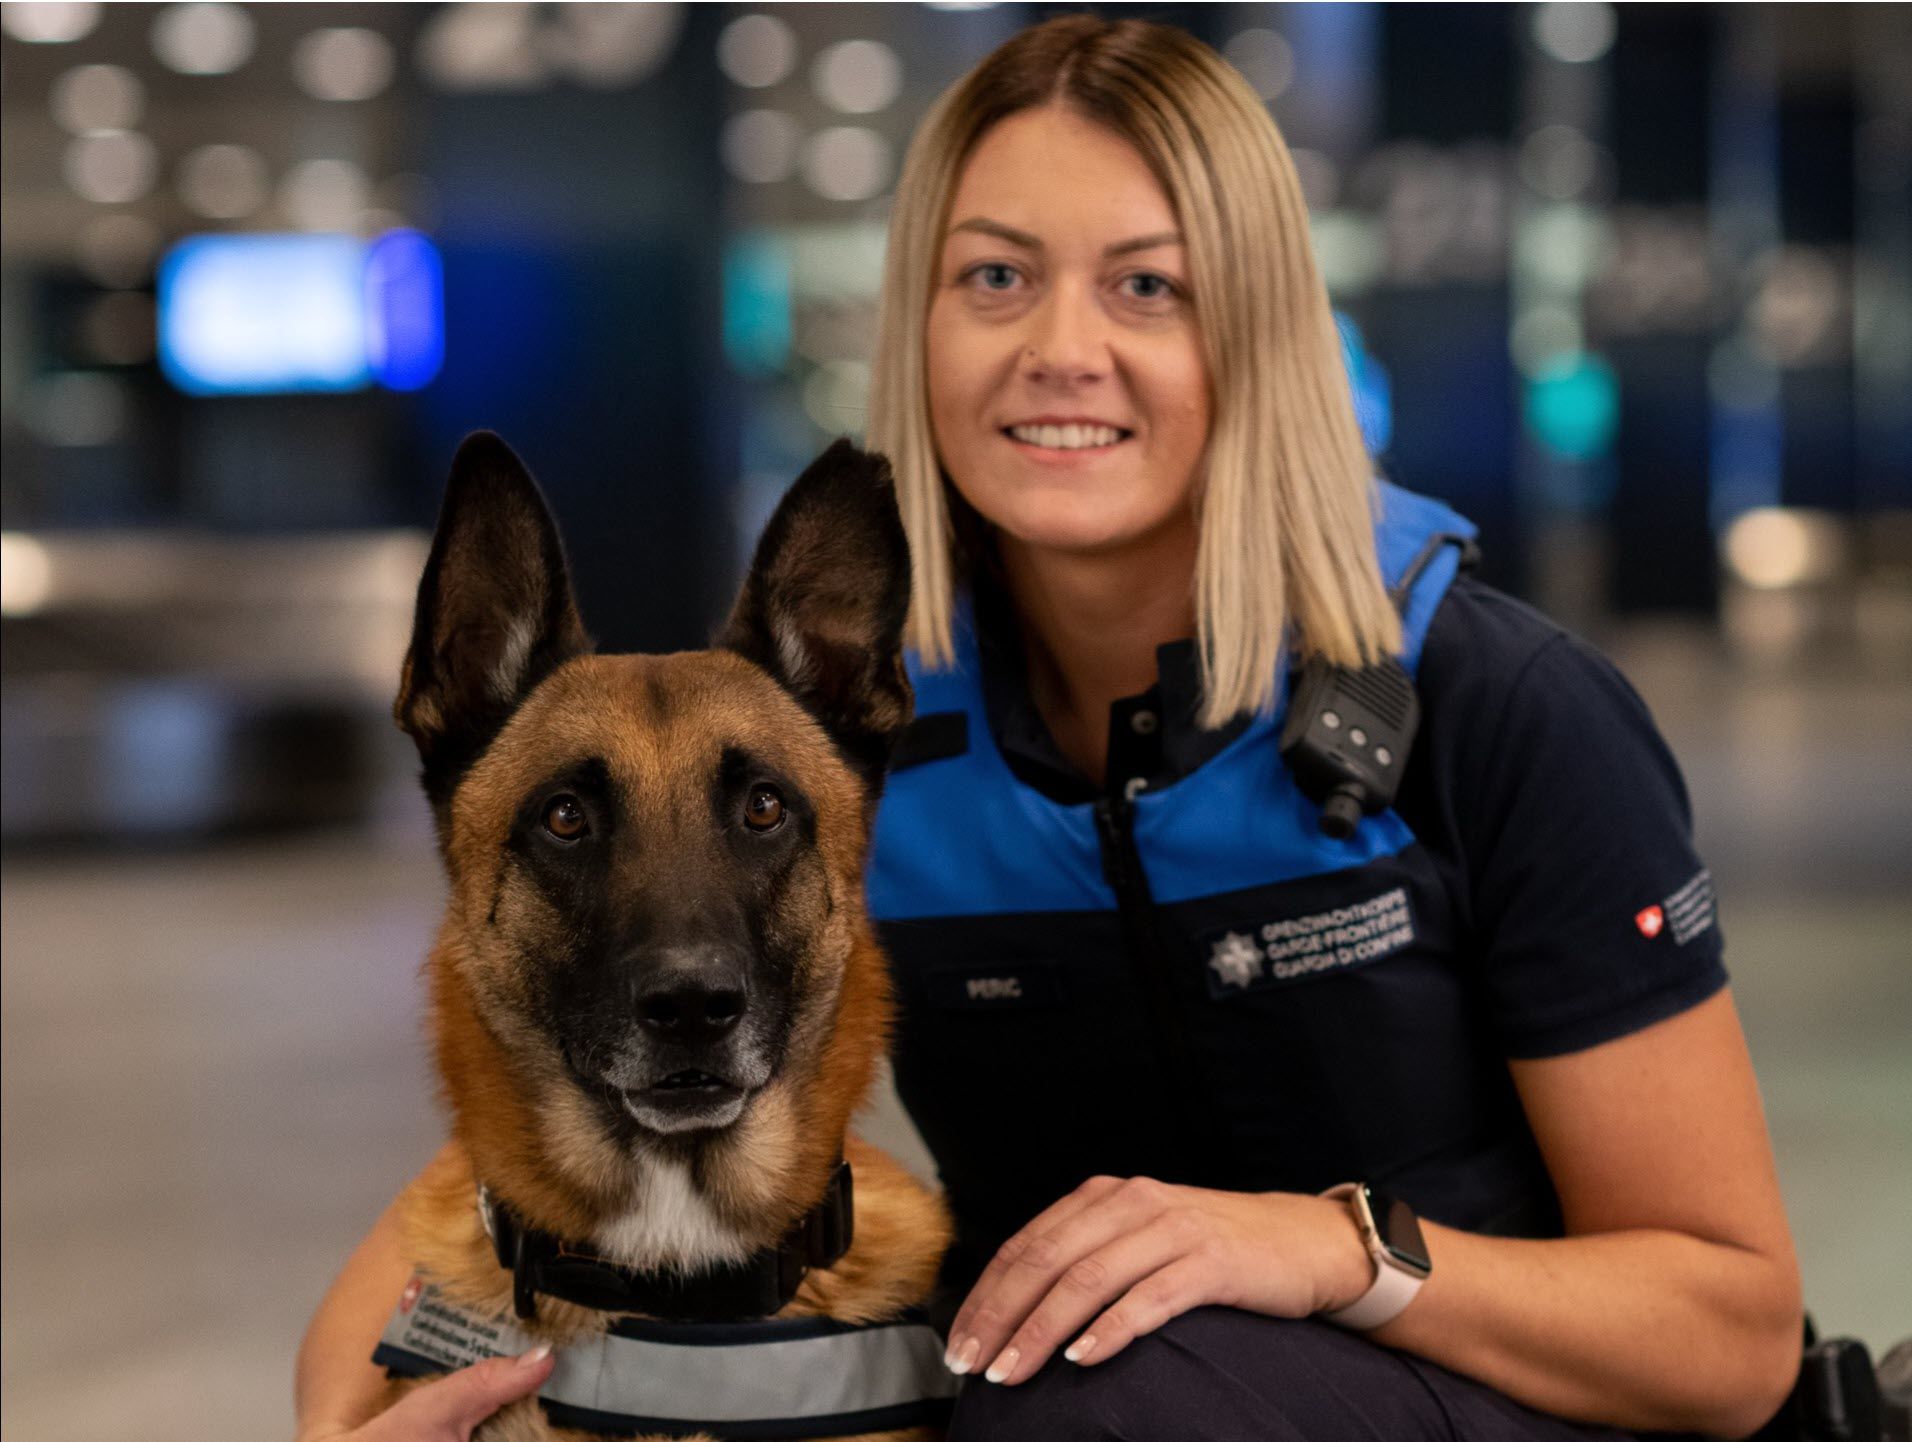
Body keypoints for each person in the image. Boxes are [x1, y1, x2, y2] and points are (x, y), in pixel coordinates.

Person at [295, 16, 1803, 1441]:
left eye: (1147, 285)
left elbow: (1733, 1337)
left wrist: (1322, 1248)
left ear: (1259, 327)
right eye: (997, 278)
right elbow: (509, 1150)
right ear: (924, 322)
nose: (1058, 348)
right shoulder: (854, 752)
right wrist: (344, 1413)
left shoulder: (1496, 705)